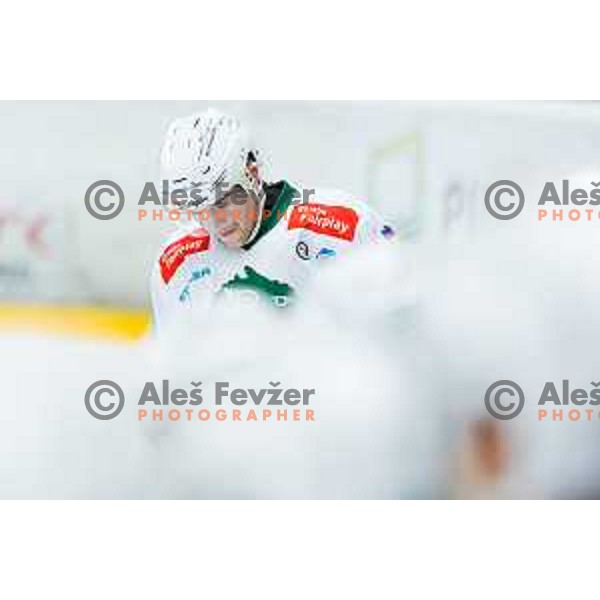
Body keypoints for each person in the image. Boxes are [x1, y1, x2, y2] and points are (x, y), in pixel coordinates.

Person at [151, 108, 395, 333]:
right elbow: (179, 372)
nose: (214, 220)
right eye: (197, 208)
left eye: (222, 201)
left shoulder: (343, 225)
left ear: (253, 175)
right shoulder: (176, 264)